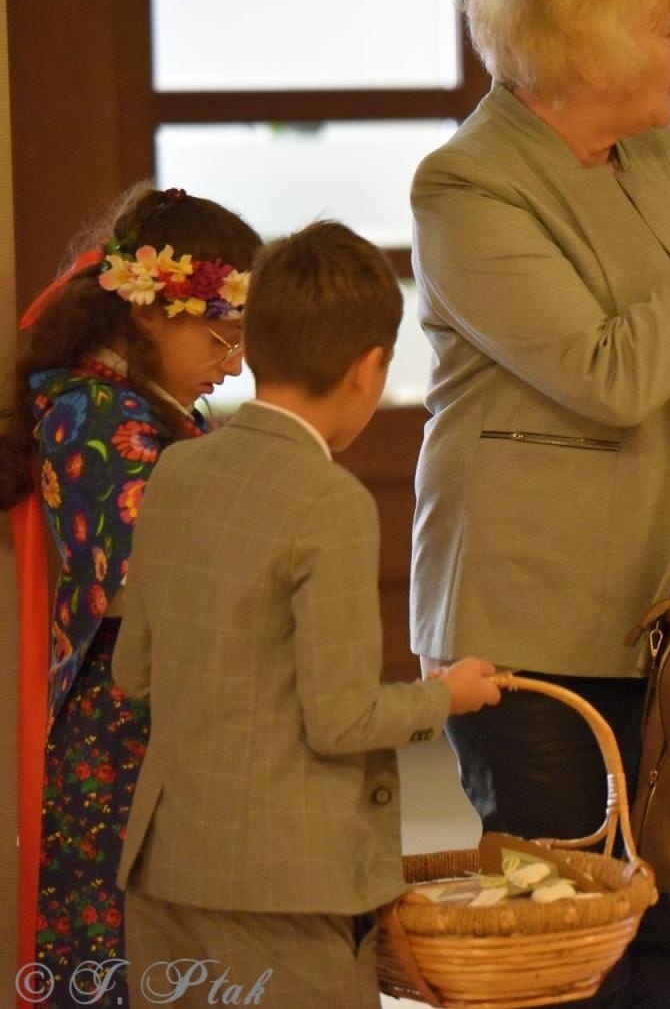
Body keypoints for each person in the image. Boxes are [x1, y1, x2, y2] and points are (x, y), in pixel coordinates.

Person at [407, 0, 670, 1004]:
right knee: (562, 938)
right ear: (587, 51)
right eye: (663, 29)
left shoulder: (661, 164)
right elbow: (609, 374)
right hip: (529, 620)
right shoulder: (466, 185)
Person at [113, 221, 503, 1008]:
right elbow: (341, 719)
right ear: (369, 370)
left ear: (253, 347)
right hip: (284, 888)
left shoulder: (179, 470)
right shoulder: (330, 502)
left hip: (168, 866)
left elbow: (135, 670)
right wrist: (448, 696)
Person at [0, 186, 259, 1002]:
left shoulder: (147, 407)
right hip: (124, 722)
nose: (237, 363)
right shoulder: (90, 411)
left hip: (161, 703)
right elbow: (150, 571)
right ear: (150, 312)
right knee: (125, 945)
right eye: (223, 336)